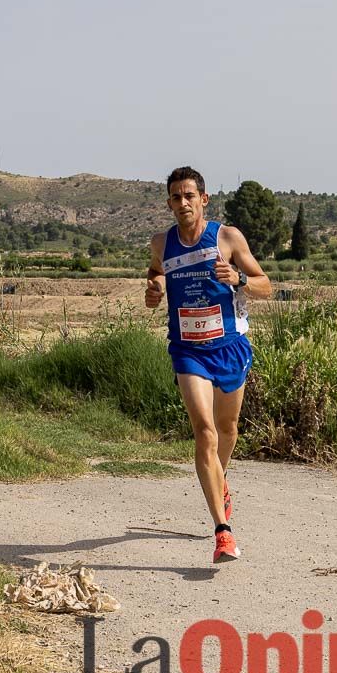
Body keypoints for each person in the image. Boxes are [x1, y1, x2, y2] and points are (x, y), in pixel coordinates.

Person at [145, 166, 271, 564]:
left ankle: (220, 480)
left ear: (203, 199)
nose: (182, 203)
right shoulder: (161, 243)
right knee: (204, 431)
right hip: (187, 349)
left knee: (227, 429)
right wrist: (154, 290)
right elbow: (155, 274)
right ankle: (223, 532)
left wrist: (238, 279)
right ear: (168, 203)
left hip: (229, 346)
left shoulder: (227, 237)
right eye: (175, 197)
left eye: (189, 196)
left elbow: (266, 283)